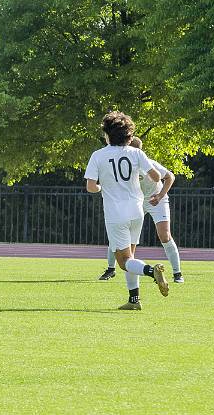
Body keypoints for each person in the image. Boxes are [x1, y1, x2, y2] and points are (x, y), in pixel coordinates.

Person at [84, 111, 169, 310]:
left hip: (116, 213)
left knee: (123, 262)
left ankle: (151, 271)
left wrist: (102, 187)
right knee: (130, 256)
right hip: (136, 210)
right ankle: (134, 300)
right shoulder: (137, 153)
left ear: (107, 135)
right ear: (129, 136)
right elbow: (157, 177)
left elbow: (90, 187)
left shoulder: (98, 155)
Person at [99, 136, 183, 283]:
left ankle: (177, 273)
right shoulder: (123, 165)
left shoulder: (148, 163)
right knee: (119, 234)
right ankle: (111, 269)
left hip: (156, 200)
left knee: (165, 235)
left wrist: (160, 195)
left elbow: (170, 177)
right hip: (136, 202)